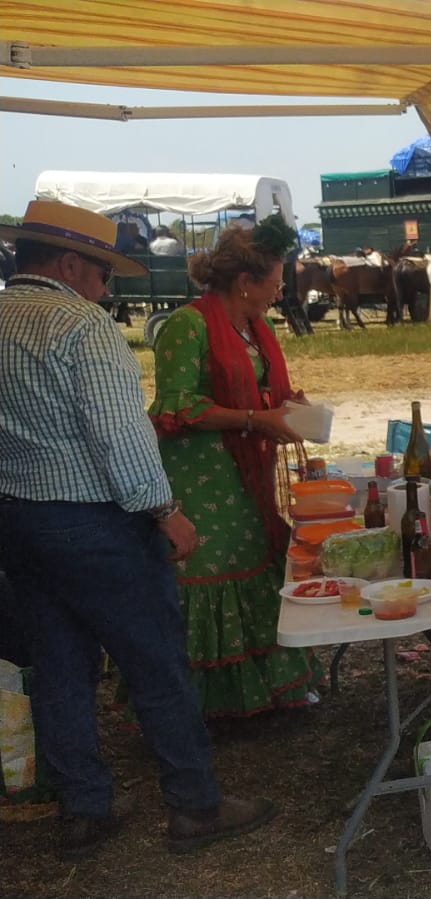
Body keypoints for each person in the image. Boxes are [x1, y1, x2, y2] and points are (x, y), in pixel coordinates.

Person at [0, 200, 275, 859]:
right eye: (101, 272)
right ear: (70, 264)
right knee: (155, 660)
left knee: (60, 666)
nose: (105, 286)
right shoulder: (80, 323)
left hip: (18, 515)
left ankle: (85, 806)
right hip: (95, 519)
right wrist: (163, 509)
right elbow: (120, 435)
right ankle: (194, 803)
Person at [148, 216, 320, 717]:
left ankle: (267, 691)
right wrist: (256, 418)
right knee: (215, 570)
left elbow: (260, 386)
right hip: (202, 473)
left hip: (248, 464)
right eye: (276, 280)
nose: (280, 289)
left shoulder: (255, 326)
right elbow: (175, 406)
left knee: (256, 560)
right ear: (246, 283)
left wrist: (287, 404)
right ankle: (203, 706)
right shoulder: (188, 324)